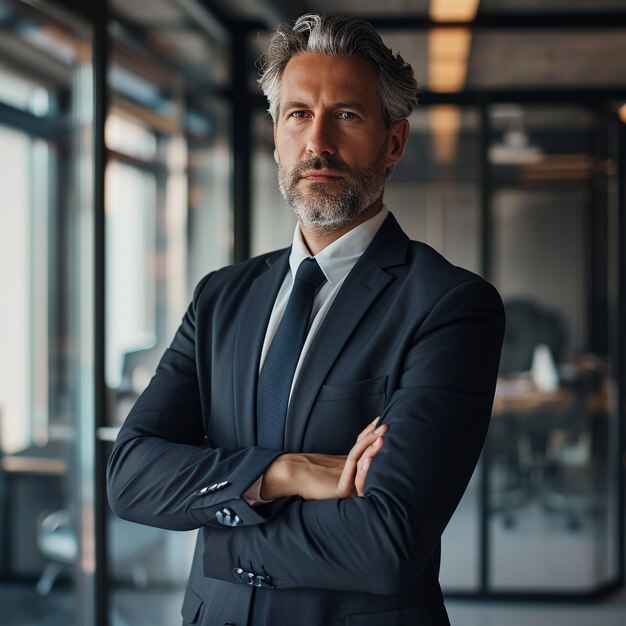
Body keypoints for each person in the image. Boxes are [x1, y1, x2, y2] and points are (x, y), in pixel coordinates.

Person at [107, 13, 505, 626]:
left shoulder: (448, 306)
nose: (317, 142)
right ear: (275, 137)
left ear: (393, 142)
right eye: (297, 114)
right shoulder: (221, 296)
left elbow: (386, 543)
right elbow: (130, 476)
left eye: (346, 115)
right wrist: (280, 472)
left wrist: (218, 527)